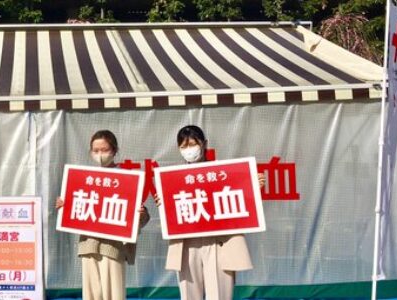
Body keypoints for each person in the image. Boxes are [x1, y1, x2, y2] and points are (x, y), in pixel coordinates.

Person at [158, 125, 265, 299]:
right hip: (186, 243)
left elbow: (241, 202)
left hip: (218, 242)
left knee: (219, 294)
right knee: (189, 295)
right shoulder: (172, 178)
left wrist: (254, 188)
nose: (188, 150)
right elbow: (171, 214)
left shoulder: (223, 173)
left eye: (192, 144)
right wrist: (163, 204)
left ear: (204, 144)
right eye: (183, 147)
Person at [55, 130, 150, 300]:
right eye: (95, 150)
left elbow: (142, 216)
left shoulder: (127, 179)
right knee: (91, 295)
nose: (100, 154)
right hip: (88, 246)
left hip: (113, 248)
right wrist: (64, 206)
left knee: (114, 295)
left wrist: (142, 215)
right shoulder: (84, 180)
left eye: (104, 149)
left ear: (114, 150)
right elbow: (73, 210)